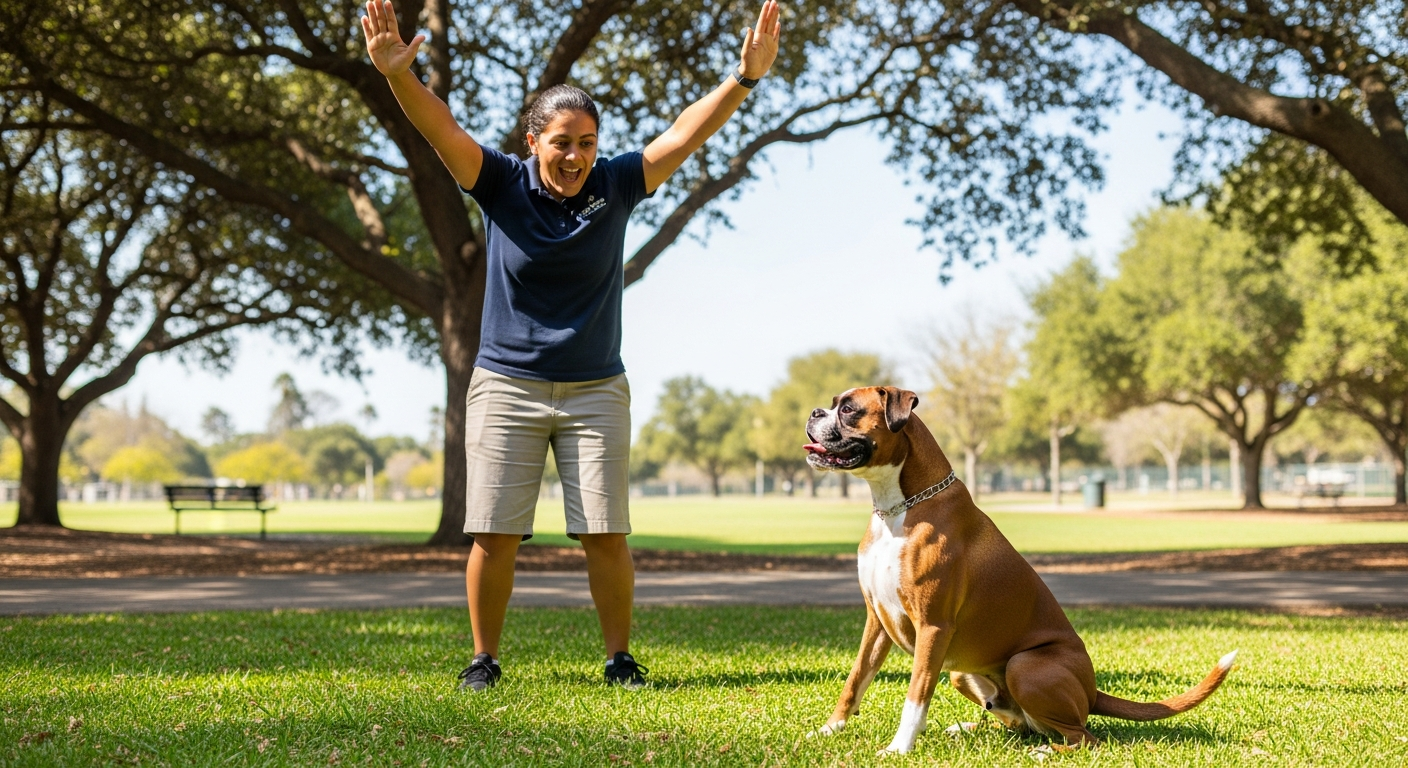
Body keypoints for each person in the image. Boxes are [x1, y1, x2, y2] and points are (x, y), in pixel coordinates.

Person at [361, 0, 782, 691]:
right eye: (562, 142)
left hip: (594, 388)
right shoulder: (498, 183)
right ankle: (483, 659)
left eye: (587, 142)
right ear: (534, 141)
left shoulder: (616, 184)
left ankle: (620, 659)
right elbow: (441, 129)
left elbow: (682, 135)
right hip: (507, 384)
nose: (576, 156)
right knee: (494, 534)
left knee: (604, 532)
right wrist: (397, 76)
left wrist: (743, 79)